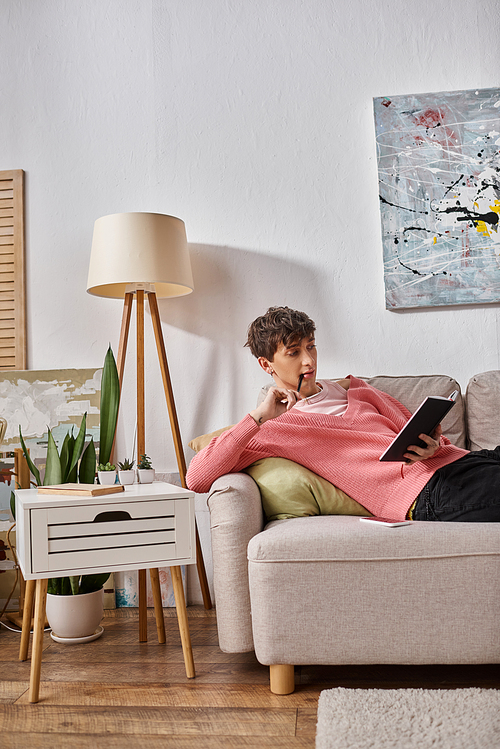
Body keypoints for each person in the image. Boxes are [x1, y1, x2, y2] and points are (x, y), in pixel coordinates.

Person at [186, 306, 500, 522]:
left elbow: (415, 431)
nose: (308, 361)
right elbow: (197, 478)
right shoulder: (270, 428)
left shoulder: (356, 389)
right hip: (427, 493)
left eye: (311, 346)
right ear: (266, 364)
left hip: (464, 462)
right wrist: (257, 417)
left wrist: (433, 443)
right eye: (294, 352)